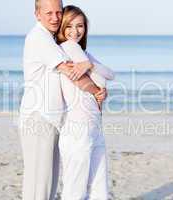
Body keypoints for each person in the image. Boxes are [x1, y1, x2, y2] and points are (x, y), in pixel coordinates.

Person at [18, 0, 107, 199]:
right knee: (38, 185)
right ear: (37, 14)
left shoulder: (50, 39)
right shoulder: (39, 37)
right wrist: (96, 91)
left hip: (53, 120)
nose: (55, 18)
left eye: (58, 12)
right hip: (39, 118)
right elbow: (69, 71)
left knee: (47, 183)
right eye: (49, 13)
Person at [56, 5, 115, 200]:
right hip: (78, 126)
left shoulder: (84, 54)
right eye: (69, 26)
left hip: (93, 124)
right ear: (62, 28)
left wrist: (90, 65)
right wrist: (99, 89)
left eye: (80, 26)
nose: (75, 31)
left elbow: (110, 74)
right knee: (76, 190)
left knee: (98, 186)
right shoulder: (67, 47)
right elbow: (96, 81)